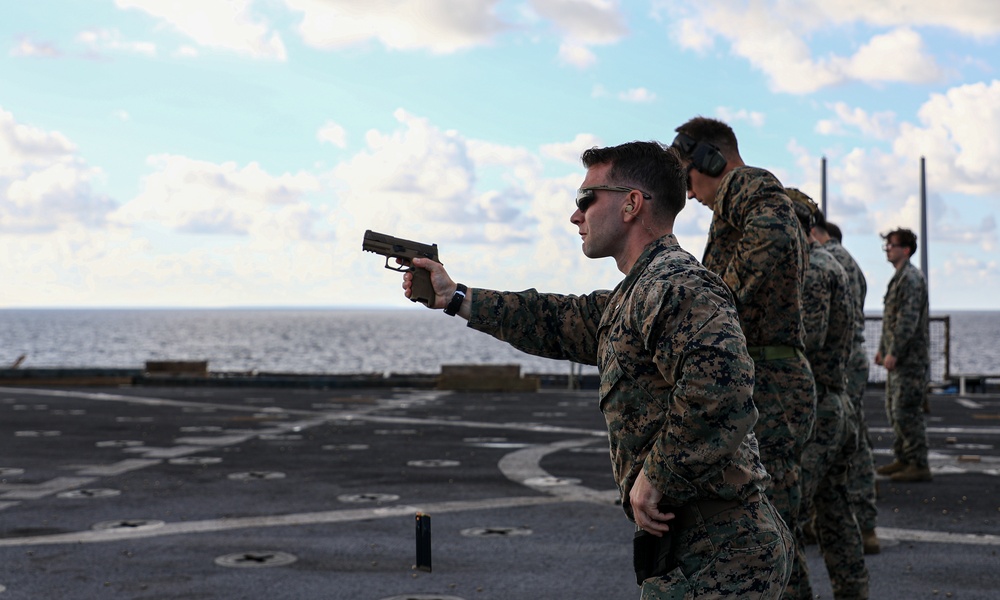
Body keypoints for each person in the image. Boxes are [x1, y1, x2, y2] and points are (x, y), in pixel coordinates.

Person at [400, 141, 792, 598]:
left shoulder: (677, 285)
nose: (575, 215)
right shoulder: (639, 291)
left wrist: (658, 473)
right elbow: (552, 320)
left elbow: (722, 394)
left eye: (586, 199)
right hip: (697, 546)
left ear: (631, 204)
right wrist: (456, 297)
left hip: (722, 553)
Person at [670, 117, 816, 600]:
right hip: (768, 377)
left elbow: (774, 235)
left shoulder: (752, 189)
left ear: (711, 160)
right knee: (768, 533)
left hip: (772, 382)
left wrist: (718, 307)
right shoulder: (740, 203)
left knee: (768, 532)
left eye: (688, 177)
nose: (689, 194)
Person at [787, 190, 870, 599]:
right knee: (835, 514)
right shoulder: (830, 263)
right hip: (833, 403)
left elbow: (811, 338)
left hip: (818, 407)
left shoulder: (815, 269)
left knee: (786, 519)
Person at [816, 219, 881, 554]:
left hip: (837, 359)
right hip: (852, 354)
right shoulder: (851, 261)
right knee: (853, 435)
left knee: (844, 440)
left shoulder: (825, 259)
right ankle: (862, 519)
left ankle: (858, 521)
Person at [874, 228, 932, 482]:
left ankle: (918, 463)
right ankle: (904, 458)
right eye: (887, 245)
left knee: (906, 410)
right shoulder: (900, 277)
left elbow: (907, 320)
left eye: (892, 245)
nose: (888, 249)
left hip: (910, 361)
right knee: (894, 409)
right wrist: (882, 350)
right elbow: (891, 320)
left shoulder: (910, 278)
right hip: (900, 360)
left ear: (906, 249)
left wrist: (894, 352)